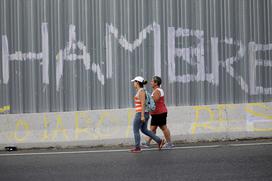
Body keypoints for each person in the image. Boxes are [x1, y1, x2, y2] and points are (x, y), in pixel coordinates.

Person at [130, 76, 165, 153]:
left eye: (135, 82)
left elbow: (143, 104)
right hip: (144, 113)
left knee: (135, 130)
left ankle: (137, 148)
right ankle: (159, 141)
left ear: (138, 83)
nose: (134, 83)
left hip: (140, 113)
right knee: (144, 130)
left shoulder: (141, 91)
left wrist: (142, 115)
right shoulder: (141, 91)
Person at [142, 76, 174, 149]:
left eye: (152, 81)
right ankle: (147, 143)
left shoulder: (157, 91)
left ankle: (169, 143)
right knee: (153, 129)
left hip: (160, 113)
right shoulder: (155, 90)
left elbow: (153, 101)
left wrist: (146, 98)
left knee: (163, 128)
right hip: (156, 113)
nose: (151, 83)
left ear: (156, 83)